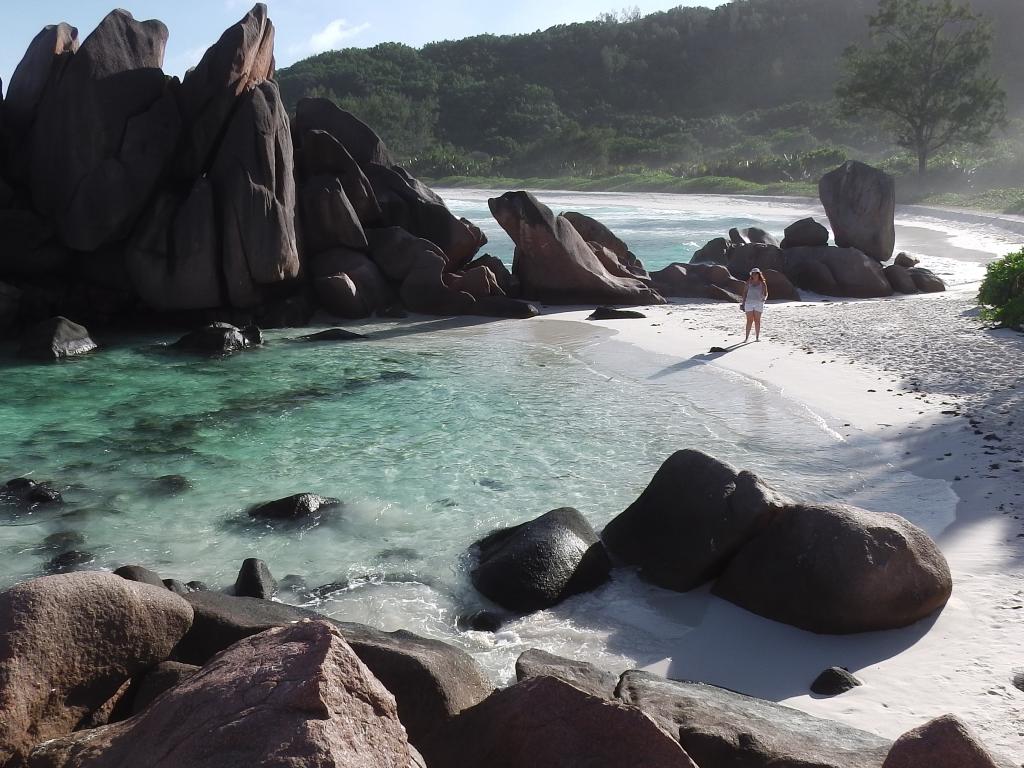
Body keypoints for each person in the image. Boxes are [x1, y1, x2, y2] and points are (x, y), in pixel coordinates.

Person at [740, 268, 768, 342]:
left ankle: (757, 338)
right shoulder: (748, 282)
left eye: (756, 273)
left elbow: (766, 293)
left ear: (759, 274)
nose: (754, 275)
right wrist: (743, 303)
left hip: (759, 303)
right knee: (749, 321)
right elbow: (744, 293)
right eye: (753, 273)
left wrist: (764, 299)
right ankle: (746, 338)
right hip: (748, 303)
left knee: (757, 321)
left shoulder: (762, 283)